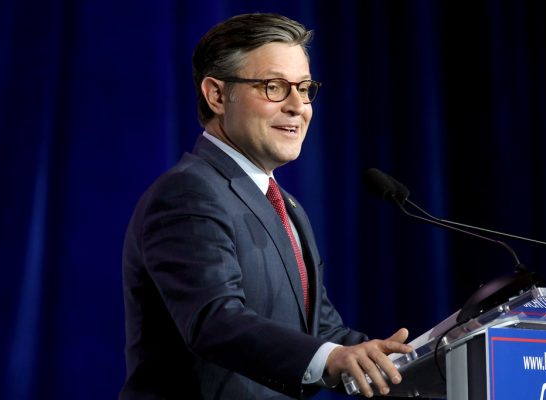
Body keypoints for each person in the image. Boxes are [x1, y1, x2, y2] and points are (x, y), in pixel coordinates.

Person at [120, 12, 412, 400]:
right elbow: (214, 321)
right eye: (275, 87)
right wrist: (332, 357)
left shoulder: (285, 205)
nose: (298, 106)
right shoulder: (188, 193)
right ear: (217, 95)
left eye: (305, 88)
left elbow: (320, 333)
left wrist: (396, 360)